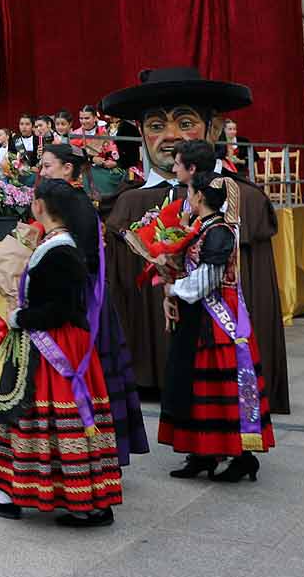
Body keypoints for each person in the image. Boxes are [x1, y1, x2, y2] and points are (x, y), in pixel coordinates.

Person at [101, 69, 290, 416]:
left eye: (185, 122)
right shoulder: (126, 204)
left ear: (214, 129)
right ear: (140, 133)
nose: (171, 137)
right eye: (156, 126)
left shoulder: (241, 198)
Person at [0, 179, 122, 527]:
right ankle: (13, 491)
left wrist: (18, 317)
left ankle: (84, 502)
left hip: (53, 346)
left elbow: (61, 309)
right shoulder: (56, 246)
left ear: (39, 207)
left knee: (38, 417)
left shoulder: (60, 252)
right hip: (44, 342)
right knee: (22, 417)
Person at [36, 144, 148, 466]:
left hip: (81, 302)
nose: (41, 172)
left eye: (46, 166)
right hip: (82, 295)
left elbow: (79, 259)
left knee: (89, 372)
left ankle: (89, 450)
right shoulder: (72, 200)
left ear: (67, 169)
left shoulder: (72, 203)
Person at [159, 172, 275, 483]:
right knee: (198, 386)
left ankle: (242, 456)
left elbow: (207, 280)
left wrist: (174, 289)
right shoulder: (204, 229)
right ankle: (202, 453)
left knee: (224, 387)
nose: (187, 197)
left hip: (218, 320)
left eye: (190, 191)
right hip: (200, 319)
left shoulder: (220, 232)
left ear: (199, 197)